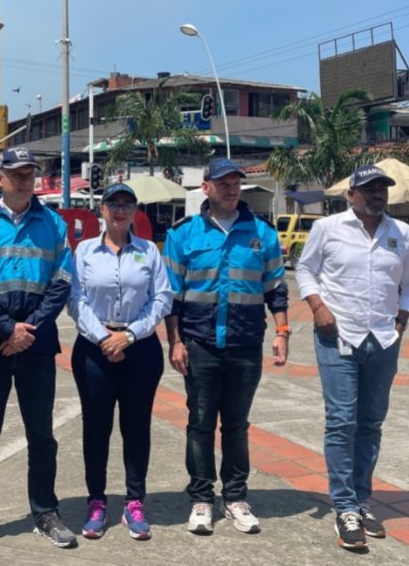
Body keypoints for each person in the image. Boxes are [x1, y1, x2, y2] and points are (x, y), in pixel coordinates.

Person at [0, 147, 77, 556]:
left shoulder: (54, 225)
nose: (25, 180)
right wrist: (7, 329)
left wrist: (29, 330)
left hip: (36, 346)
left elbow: (61, 282)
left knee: (41, 434)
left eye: (30, 173)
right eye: (16, 173)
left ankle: (45, 511)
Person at [295, 164, 409, 551]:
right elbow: (305, 269)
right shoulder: (327, 228)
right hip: (337, 336)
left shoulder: (401, 233)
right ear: (351, 194)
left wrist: (402, 319)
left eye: (382, 188)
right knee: (341, 421)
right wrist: (317, 306)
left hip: (383, 339)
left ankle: (362, 498)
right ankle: (345, 506)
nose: (377, 195)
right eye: (368, 189)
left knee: (370, 423)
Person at [163, 158, 289, 536]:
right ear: (206, 188)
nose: (231, 189)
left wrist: (282, 333)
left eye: (236, 183)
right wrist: (176, 342)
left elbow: (276, 289)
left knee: (236, 425)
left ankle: (235, 498)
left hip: (245, 345)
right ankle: (202, 498)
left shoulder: (262, 234)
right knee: (200, 423)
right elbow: (173, 297)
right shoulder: (183, 234)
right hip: (199, 344)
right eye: (223, 183)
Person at [69, 183, 172, 541]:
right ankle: (96, 501)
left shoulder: (148, 252)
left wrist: (128, 336)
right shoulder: (83, 251)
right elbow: (75, 300)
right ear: (102, 209)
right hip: (93, 350)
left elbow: (162, 298)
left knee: (136, 426)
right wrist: (103, 337)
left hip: (139, 348)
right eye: (113, 203)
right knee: (96, 428)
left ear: (135, 211)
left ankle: (134, 501)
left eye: (127, 204)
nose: (120, 210)